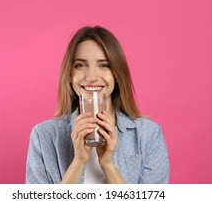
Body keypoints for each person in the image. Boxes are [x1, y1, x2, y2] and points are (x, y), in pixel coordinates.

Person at [26, 26, 169, 184]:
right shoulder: (43, 135)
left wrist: (108, 165)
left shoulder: (148, 134)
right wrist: (78, 162)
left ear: (117, 74)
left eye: (104, 65)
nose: (92, 77)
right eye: (80, 65)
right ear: (69, 74)